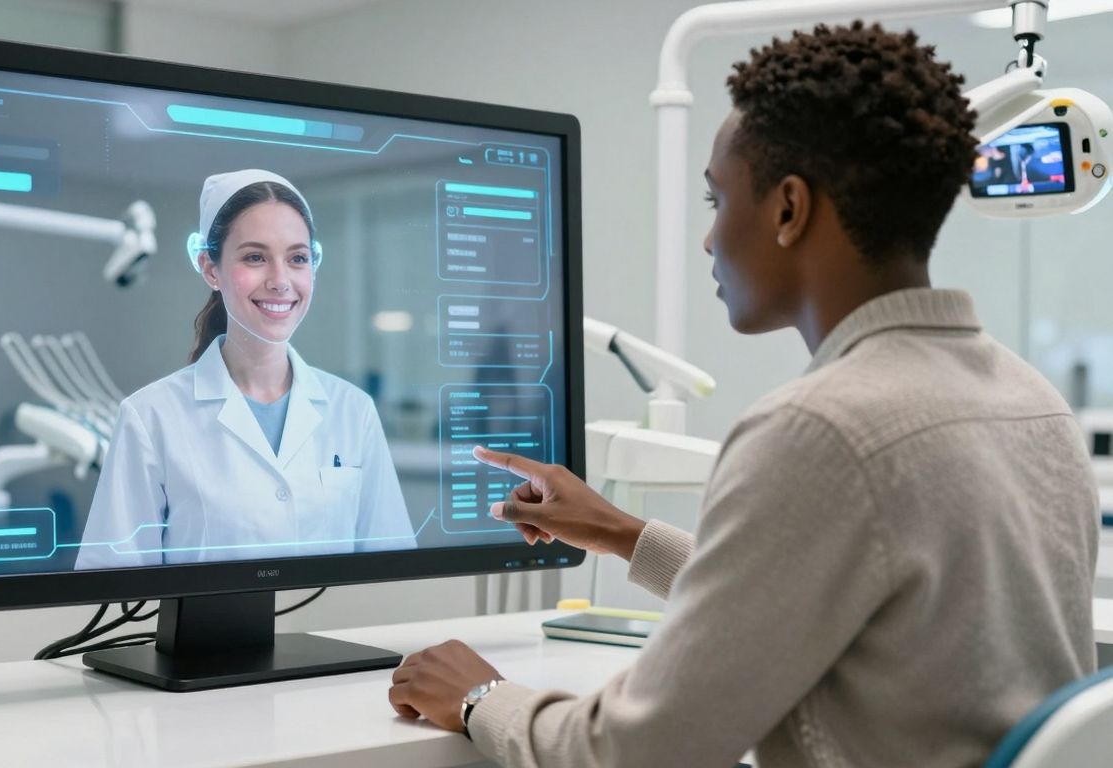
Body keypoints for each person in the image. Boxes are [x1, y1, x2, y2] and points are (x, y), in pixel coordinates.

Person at [387, 22, 1098, 767]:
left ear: (789, 209)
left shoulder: (820, 430)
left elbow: (635, 752)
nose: (708, 240)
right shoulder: (1034, 402)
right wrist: (623, 534)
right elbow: (841, 603)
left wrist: (479, 698)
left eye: (717, 200)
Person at [76, 169, 415, 568]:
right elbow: (112, 583)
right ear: (210, 268)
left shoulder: (353, 411)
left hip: (330, 631)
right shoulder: (151, 417)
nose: (280, 280)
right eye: (255, 257)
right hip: (207, 633)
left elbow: (392, 567)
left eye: (297, 258)